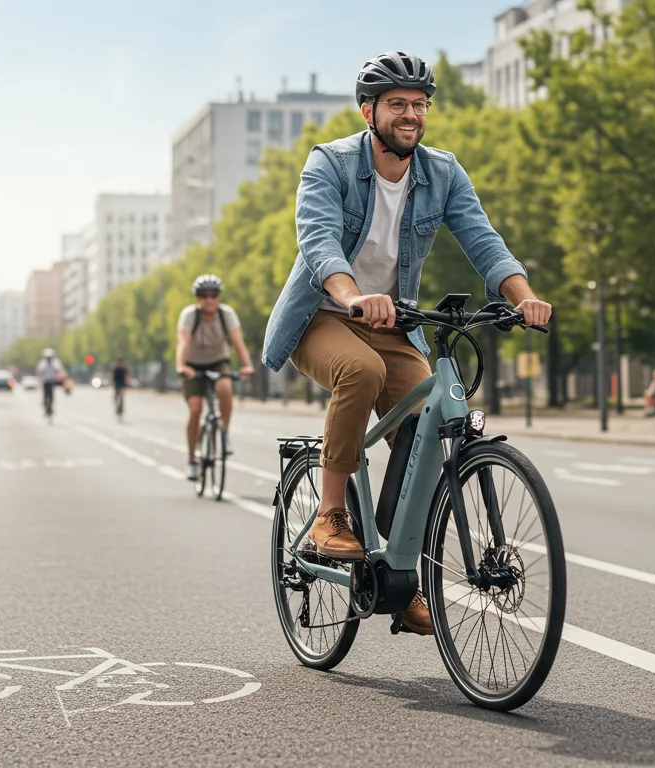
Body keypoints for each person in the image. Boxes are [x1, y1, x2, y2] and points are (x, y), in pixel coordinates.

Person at [261, 51, 553, 636]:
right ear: (369, 110)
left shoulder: (442, 172)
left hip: (394, 323)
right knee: (361, 372)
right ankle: (329, 515)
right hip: (324, 316)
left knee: (429, 427)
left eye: (419, 105)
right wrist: (350, 296)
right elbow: (320, 245)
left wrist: (524, 295)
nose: (411, 114)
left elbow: (483, 240)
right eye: (398, 104)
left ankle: (401, 571)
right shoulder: (330, 165)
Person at [177, 274, 254, 481]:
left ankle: (224, 434)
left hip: (218, 361)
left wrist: (247, 365)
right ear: (197, 297)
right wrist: (181, 365)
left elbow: (238, 341)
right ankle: (192, 459)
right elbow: (183, 342)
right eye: (204, 295)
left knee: (225, 389)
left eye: (214, 295)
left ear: (218, 297)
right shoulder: (189, 315)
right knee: (195, 409)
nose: (209, 299)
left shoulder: (226, 314)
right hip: (192, 365)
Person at [35, 348, 72, 414]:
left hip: (53, 380)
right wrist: (39, 379)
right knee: (46, 394)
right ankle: (45, 403)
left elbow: (60, 370)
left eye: (50, 358)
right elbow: (38, 372)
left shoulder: (55, 362)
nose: (49, 359)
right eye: (47, 358)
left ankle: (67, 390)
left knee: (66, 382)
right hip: (46, 382)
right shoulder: (42, 364)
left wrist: (63, 376)